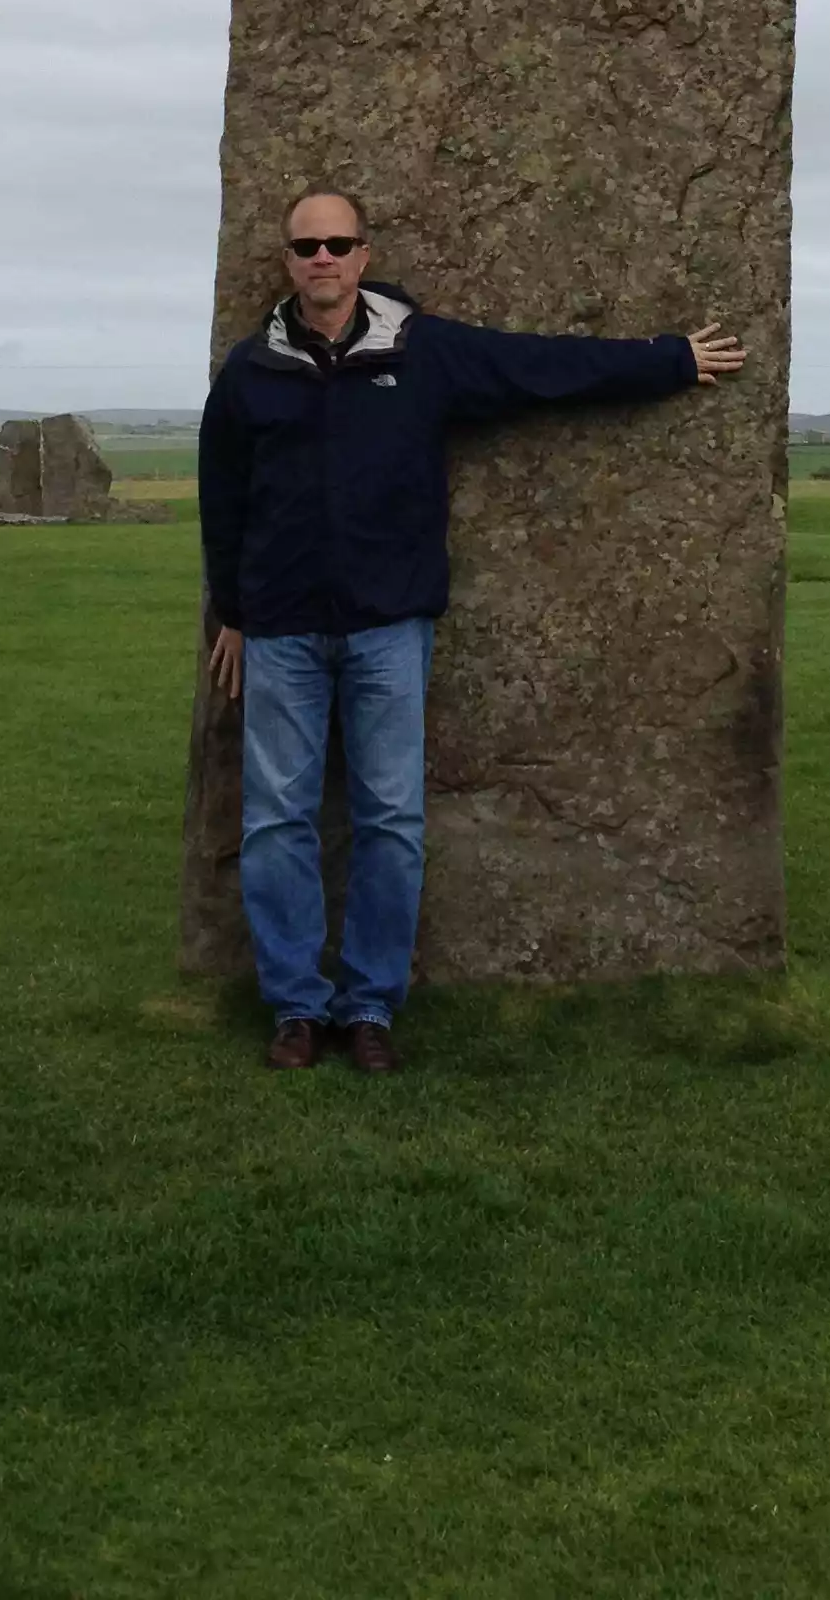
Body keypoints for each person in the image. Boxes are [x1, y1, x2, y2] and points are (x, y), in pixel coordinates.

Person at [198, 187, 745, 1073]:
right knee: (275, 823)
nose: (323, 258)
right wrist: (233, 612)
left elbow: (539, 367)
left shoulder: (423, 351)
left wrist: (669, 360)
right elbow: (222, 498)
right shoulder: (251, 369)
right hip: (283, 629)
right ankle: (297, 1006)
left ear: (365, 254)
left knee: (390, 819)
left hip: (388, 627)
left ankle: (369, 1006)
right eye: (306, 247)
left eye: (338, 243)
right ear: (288, 262)